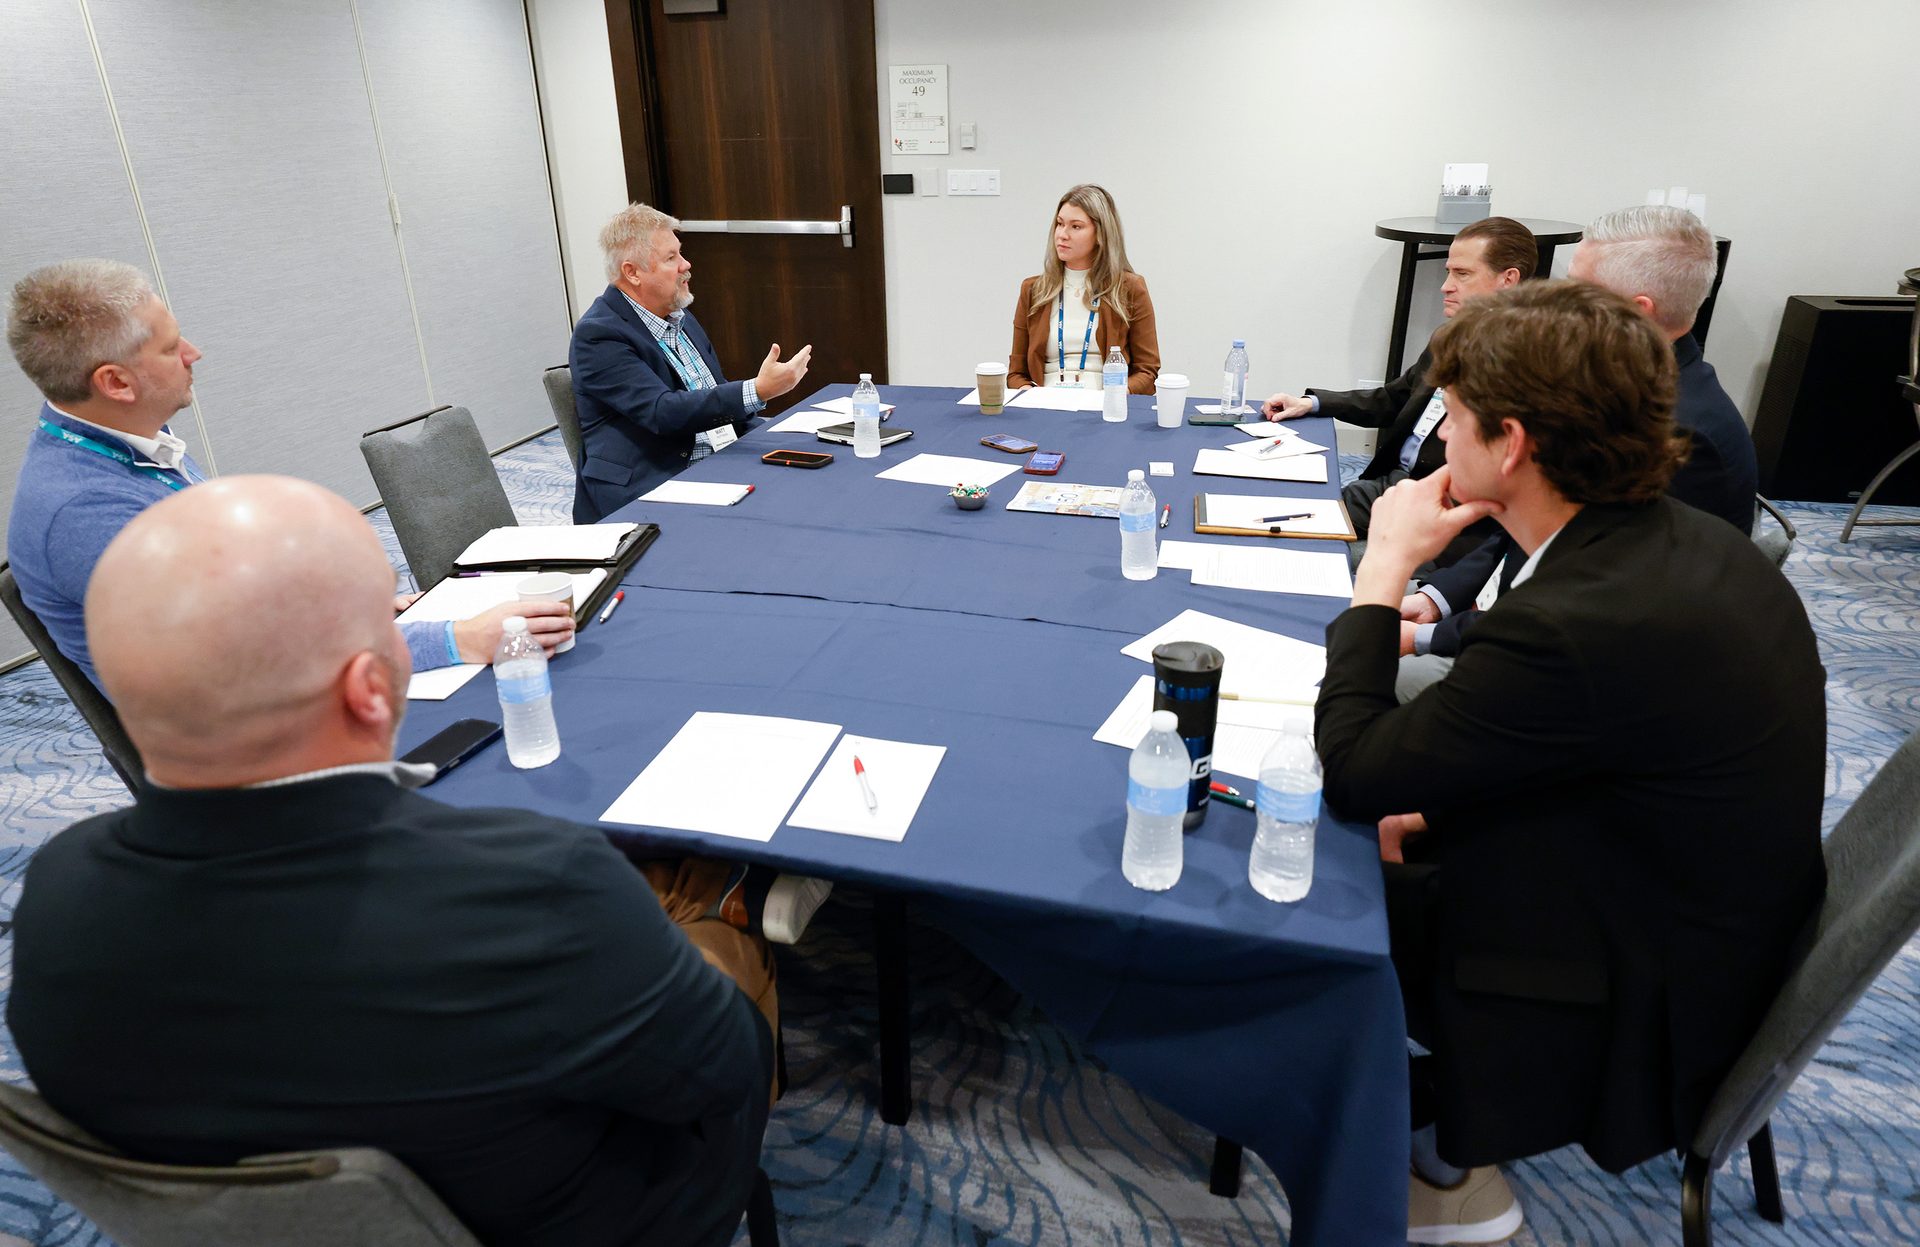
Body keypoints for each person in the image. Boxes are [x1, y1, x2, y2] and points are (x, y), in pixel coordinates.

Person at [8, 475, 778, 1247]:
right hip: (600, 1219)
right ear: (372, 688)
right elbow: (726, 1068)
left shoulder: (54, 897)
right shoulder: (534, 887)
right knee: (728, 948)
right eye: (393, 616)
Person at [1313, 281, 1826, 1244]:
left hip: (1642, 990)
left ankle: (1453, 1164)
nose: (1441, 442)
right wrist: (1430, 815)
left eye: (1455, 421)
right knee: (1387, 832)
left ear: (1510, 444)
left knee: (1312, 870)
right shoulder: (1678, 545)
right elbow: (1595, 751)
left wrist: (1382, 573)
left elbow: (1354, 767)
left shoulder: (1574, 620)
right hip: (1701, 902)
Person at [4, 259, 572, 692]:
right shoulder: (84, 514)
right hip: (245, 745)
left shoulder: (129, 444)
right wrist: (456, 638)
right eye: (173, 347)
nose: (194, 354)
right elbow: (248, 659)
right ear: (117, 384)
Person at [1395, 205, 1760, 701]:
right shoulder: (1618, 388)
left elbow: (1582, 607)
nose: (1553, 303)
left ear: (1636, 311)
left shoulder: (1673, 430)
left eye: (1576, 291)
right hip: (1520, 617)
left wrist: (1425, 633)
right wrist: (1438, 599)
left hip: (1585, 678)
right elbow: (1532, 533)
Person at [1261, 216, 1535, 559]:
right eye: (1449, 271)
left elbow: (1478, 486)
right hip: (1388, 486)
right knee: (1273, 492)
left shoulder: (1522, 365)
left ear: (1508, 280)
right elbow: (1394, 398)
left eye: (1462, 274)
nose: (1445, 285)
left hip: (1429, 515)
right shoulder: (1448, 337)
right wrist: (1312, 404)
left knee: (1277, 530)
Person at [569, 203, 812, 523]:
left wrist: (775, 441)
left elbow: (712, 395)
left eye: (680, 253)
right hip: (651, 480)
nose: (686, 264)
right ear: (632, 272)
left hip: (715, 458)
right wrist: (757, 390)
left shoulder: (679, 317)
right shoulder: (599, 336)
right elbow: (662, 412)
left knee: (806, 487)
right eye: (671, 258)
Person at [1006, 184, 1160, 395]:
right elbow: (1015, 374)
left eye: (1075, 227)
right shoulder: (1033, 290)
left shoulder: (1129, 288)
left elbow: (1148, 373)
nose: (1062, 234)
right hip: (1045, 404)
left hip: (1104, 403)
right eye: (1060, 224)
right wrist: (1030, 394)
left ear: (1101, 234)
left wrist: (1117, 394)